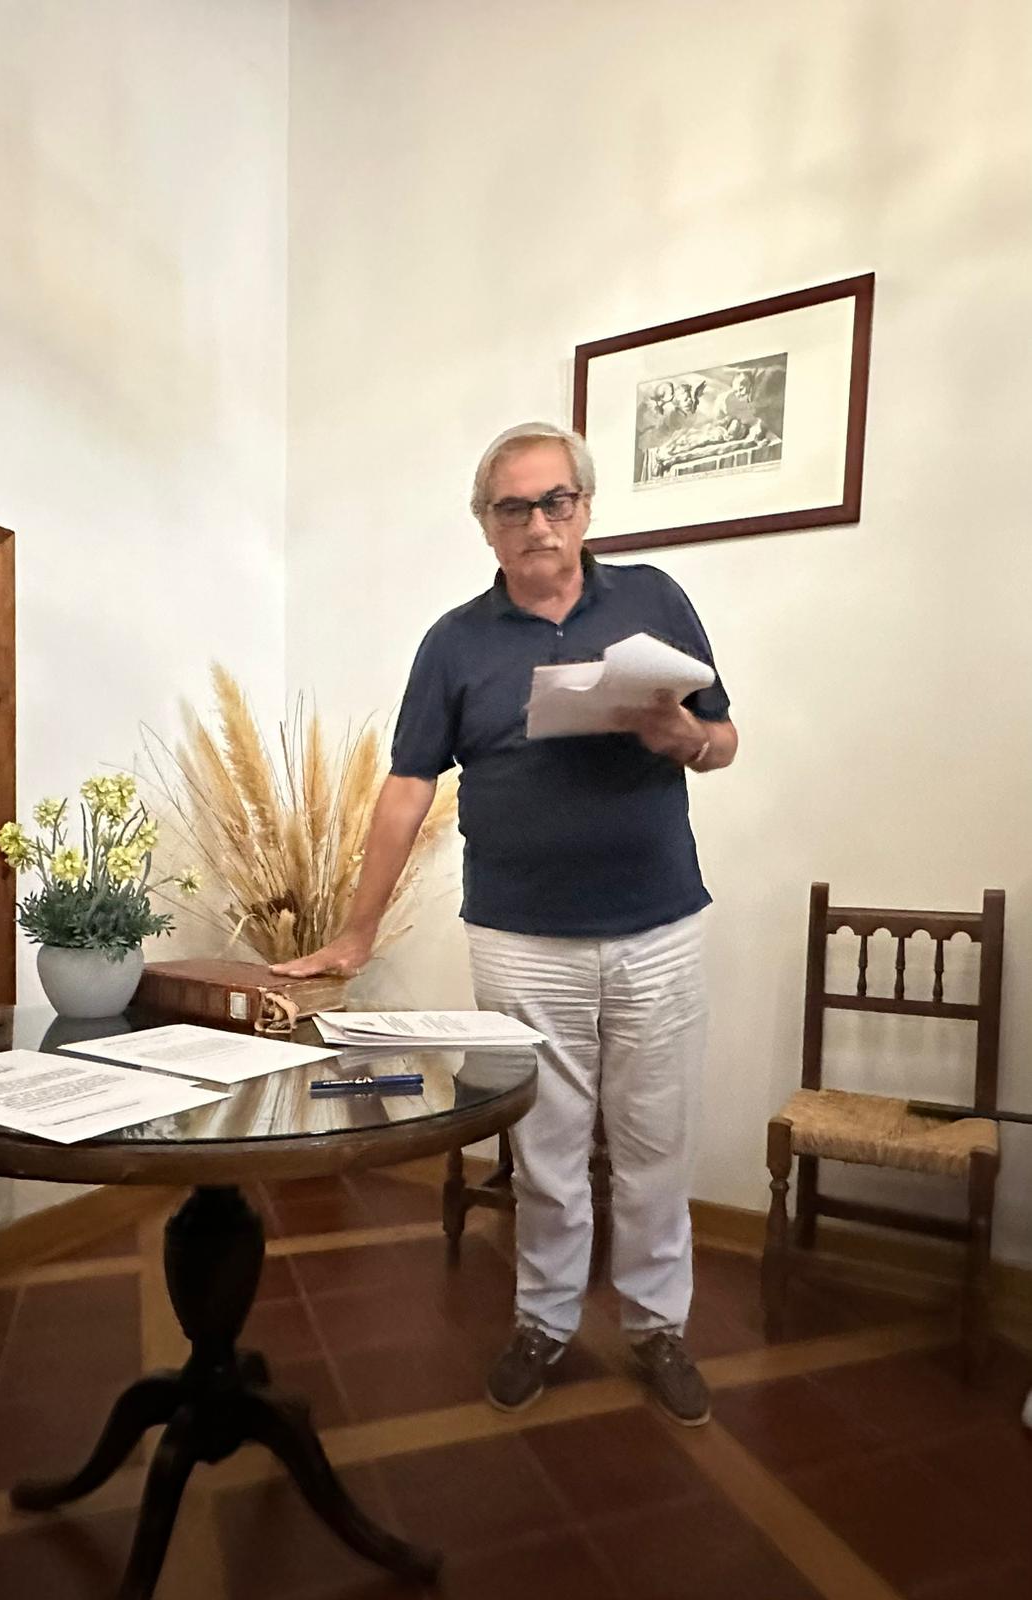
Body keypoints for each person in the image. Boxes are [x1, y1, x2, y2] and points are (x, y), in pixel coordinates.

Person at [271, 422, 738, 1425]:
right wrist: (355, 933)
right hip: (521, 937)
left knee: (658, 1142)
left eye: (554, 500)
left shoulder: (654, 599)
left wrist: (687, 735)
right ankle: (545, 1320)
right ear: (487, 526)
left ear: (586, 507)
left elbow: (726, 735)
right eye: (512, 507)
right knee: (547, 1150)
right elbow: (404, 789)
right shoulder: (455, 641)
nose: (537, 522)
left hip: (657, 926)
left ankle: (659, 1326)